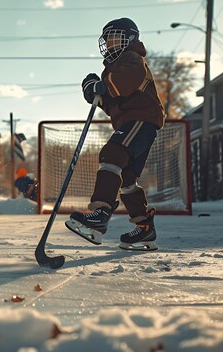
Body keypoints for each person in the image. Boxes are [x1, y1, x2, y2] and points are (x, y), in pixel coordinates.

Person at [65, 17, 165, 251]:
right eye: (107, 39)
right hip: (134, 122)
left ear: (128, 38)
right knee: (127, 177)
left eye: (114, 37)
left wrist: (102, 85)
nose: (109, 43)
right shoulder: (113, 68)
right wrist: (94, 90)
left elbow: (126, 82)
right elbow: (112, 103)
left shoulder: (132, 57)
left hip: (142, 119)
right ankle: (144, 228)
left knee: (113, 153)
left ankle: (100, 213)